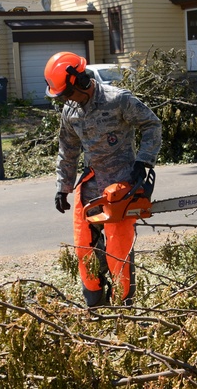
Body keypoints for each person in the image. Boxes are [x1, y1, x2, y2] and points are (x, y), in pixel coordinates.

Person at [45, 52, 163, 307]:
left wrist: (144, 161)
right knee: (86, 250)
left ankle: (123, 308)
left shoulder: (118, 100)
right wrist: (62, 187)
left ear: (82, 82)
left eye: (67, 92)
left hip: (122, 185)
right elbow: (68, 148)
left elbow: (152, 125)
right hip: (90, 188)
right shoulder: (71, 110)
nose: (65, 99)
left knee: (119, 252)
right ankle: (95, 304)